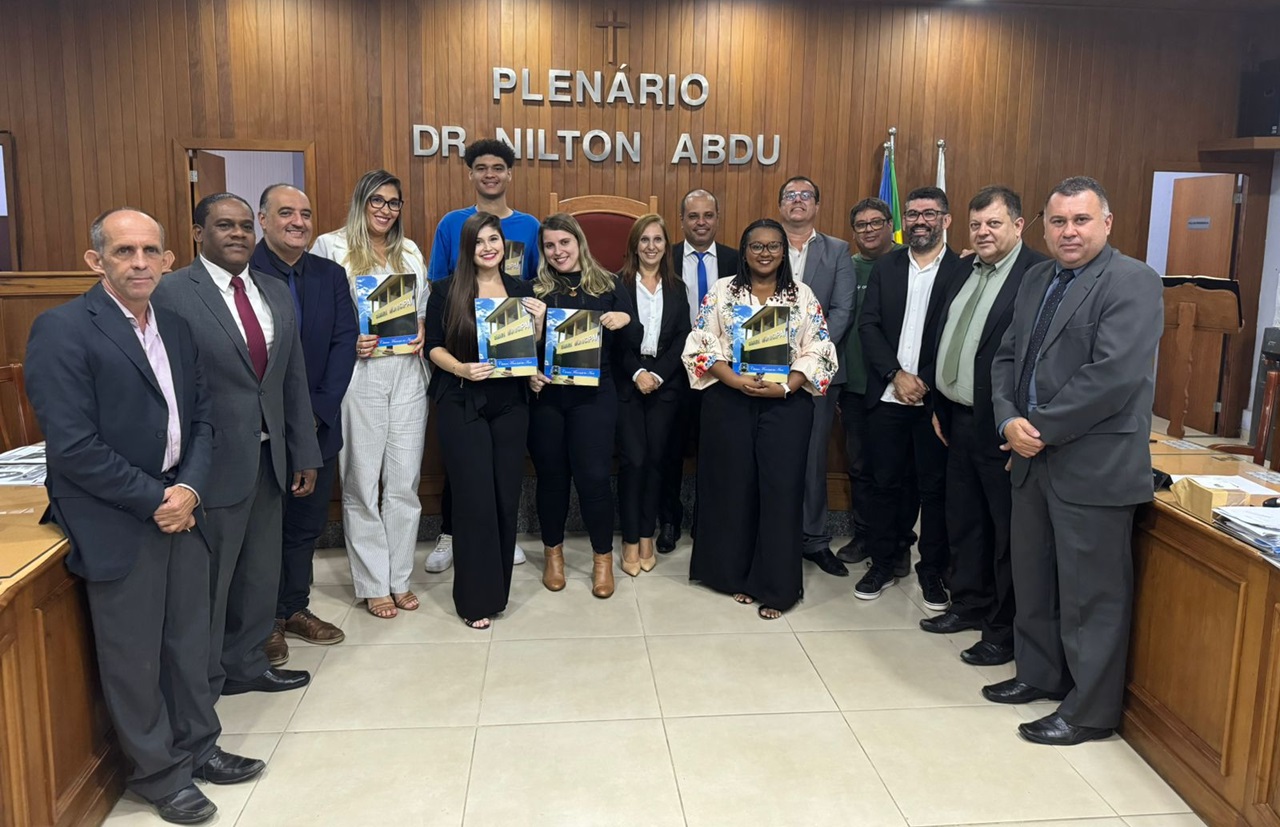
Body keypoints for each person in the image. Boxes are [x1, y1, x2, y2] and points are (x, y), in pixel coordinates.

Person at [26, 208, 265, 825]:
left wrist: (186, 489)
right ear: (96, 260)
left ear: (166, 258)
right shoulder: (63, 329)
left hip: (181, 506)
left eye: (150, 252)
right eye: (124, 251)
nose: (139, 263)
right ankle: (159, 775)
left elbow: (204, 419)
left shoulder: (177, 328)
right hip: (117, 516)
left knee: (189, 641)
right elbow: (73, 447)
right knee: (134, 654)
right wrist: (154, 498)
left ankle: (199, 747)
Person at [982, 177, 1162, 746]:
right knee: (1034, 578)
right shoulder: (1038, 278)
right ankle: (1038, 675)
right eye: (1058, 222)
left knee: (1091, 594)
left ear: (1106, 223)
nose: (1069, 232)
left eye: (1081, 220)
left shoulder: (1132, 281)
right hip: (1031, 456)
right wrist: (1008, 420)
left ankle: (1088, 711)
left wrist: (1040, 429)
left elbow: (1113, 375)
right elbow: (1007, 356)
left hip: (1093, 463)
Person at [153, 193, 321, 699]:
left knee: (258, 573)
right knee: (210, 583)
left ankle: (248, 663)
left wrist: (305, 450)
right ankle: (202, 683)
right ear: (199, 233)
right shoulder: (173, 292)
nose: (238, 234)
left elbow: (292, 378)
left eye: (246, 226)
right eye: (225, 225)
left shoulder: (272, 290)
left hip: (271, 459)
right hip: (209, 466)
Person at [682, 218, 838, 619]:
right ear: (744, 251)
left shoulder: (801, 296)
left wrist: (787, 385)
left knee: (780, 492)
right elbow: (701, 341)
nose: (764, 253)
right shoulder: (722, 292)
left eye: (773, 246)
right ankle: (734, 575)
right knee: (734, 488)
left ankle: (775, 586)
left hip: (785, 405)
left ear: (783, 252)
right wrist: (732, 379)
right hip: (729, 402)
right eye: (756, 246)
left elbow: (820, 348)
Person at [923, 186, 1047, 667]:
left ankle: (1002, 630)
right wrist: (938, 401)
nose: (983, 232)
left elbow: (1033, 358)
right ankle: (969, 604)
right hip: (957, 415)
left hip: (1002, 422)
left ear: (1018, 225)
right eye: (976, 225)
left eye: (994, 224)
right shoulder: (964, 270)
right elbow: (946, 335)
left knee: (1004, 531)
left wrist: (1019, 421)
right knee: (966, 519)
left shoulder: (1035, 275)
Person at [312, 169, 429, 619]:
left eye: (394, 202)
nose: (385, 209)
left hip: (407, 372)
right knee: (362, 480)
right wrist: (347, 340)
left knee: (404, 483)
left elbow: (421, 311)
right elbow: (320, 316)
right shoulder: (331, 246)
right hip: (359, 373)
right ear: (361, 202)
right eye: (377, 201)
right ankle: (372, 581)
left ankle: (399, 577)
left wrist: (420, 329)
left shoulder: (411, 250)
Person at [250, 184, 358, 666]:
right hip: (261, 431)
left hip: (317, 426)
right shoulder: (243, 275)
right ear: (263, 220)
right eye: (286, 213)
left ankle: (295, 608)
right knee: (263, 527)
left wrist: (316, 413)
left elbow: (344, 342)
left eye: (306, 214)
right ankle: (263, 621)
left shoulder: (329, 275)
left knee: (306, 524)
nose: (298, 222)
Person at [426, 137, 541, 573]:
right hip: (462, 365)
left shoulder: (529, 226)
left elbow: (529, 291)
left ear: (510, 174)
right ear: (470, 174)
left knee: (500, 466)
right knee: (463, 464)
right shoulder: (452, 223)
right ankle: (452, 532)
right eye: (482, 168)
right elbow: (441, 286)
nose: (490, 174)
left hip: (509, 368)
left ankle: (501, 532)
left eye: (498, 167)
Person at [855, 186, 966, 607]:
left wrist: (925, 384)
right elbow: (869, 326)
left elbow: (960, 338)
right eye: (913, 214)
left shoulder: (964, 271)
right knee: (884, 484)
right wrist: (895, 374)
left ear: (946, 219)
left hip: (936, 404)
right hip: (887, 396)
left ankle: (932, 571)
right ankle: (884, 562)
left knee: (933, 490)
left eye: (929, 213)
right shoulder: (886, 266)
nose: (920, 220)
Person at [527, 213, 634, 599]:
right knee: (552, 479)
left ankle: (601, 561)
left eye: (565, 243)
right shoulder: (533, 290)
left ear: (579, 243)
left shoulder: (608, 284)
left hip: (595, 397)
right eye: (550, 245)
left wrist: (625, 318)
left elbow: (632, 340)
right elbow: (521, 350)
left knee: (593, 480)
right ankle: (553, 556)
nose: (558, 252)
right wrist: (531, 370)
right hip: (548, 399)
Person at [777, 176, 856, 577]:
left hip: (818, 374)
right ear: (780, 206)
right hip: (766, 369)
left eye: (806, 195)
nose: (798, 201)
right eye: (790, 196)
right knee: (770, 453)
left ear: (817, 205)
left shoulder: (838, 250)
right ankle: (774, 536)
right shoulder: (764, 242)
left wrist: (807, 357)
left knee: (812, 458)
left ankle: (814, 539)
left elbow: (842, 309)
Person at [836, 197, 916, 571]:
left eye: (875, 223)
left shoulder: (908, 263)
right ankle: (866, 534)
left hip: (896, 387)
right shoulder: (846, 267)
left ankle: (898, 543)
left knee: (896, 471)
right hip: (854, 386)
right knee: (860, 466)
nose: (868, 230)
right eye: (860, 225)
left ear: (890, 225)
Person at [658, 189, 740, 553]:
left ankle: (708, 523)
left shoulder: (738, 260)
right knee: (669, 450)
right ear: (682, 220)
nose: (701, 222)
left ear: (718, 218)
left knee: (718, 452)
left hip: (721, 373)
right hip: (674, 371)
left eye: (708, 215)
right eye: (693, 216)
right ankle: (669, 520)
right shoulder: (664, 258)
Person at [615, 214, 691, 575]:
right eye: (643, 240)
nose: (650, 246)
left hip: (666, 386)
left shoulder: (677, 287)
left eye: (657, 239)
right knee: (634, 462)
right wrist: (638, 372)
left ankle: (648, 534)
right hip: (628, 384)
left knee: (657, 462)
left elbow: (682, 338)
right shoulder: (618, 285)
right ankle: (630, 538)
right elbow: (612, 340)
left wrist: (658, 374)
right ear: (634, 245)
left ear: (666, 245)